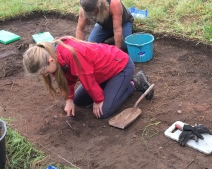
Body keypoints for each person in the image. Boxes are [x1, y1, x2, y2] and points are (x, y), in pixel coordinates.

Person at [22, 37, 154, 119]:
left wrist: (98, 100)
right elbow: (67, 78)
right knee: (78, 100)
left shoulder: (70, 54)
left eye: (44, 72)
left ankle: (135, 83)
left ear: (50, 61)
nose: (45, 75)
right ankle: (111, 86)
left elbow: (87, 78)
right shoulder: (52, 56)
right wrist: (69, 99)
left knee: (103, 112)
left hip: (120, 66)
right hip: (101, 74)